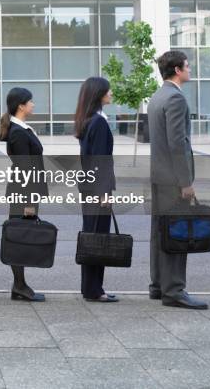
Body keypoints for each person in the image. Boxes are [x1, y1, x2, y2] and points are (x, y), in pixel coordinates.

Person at [148, 51, 207, 310]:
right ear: (176, 69)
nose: (190, 68)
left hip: (158, 175)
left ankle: (158, 285)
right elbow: (177, 144)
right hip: (173, 178)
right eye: (187, 65)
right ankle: (174, 290)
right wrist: (185, 181)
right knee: (177, 232)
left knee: (159, 231)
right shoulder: (175, 98)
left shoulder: (157, 96)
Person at [0, 87, 47, 302]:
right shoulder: (18, 132)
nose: (33, 104)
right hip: (23, 193)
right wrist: (28, 201)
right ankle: (19, 285)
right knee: (19, 237)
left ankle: (20, 285)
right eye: (30, 101)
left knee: (21, 236)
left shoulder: (21, 128)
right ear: (21, 106)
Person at [74, 76, 118, 303]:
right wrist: (104, 193)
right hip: (97, 189)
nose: (111, 93)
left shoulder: (88, 119)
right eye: (108, 91)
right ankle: (94, 290)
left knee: (92, 236)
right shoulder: (98, 122)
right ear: (99, 94)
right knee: (97, 238)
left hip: (89, 187)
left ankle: (90, 287)